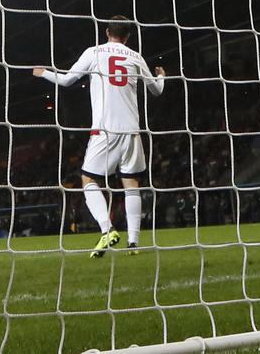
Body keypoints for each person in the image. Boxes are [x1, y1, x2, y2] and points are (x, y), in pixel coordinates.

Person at [34, 16, 165, 257]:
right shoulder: (136, 56)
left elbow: (66, 80)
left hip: (105, 130)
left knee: (88, 180)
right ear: (127, 36)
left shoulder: (94, 52)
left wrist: (44, 73)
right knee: (131, 184)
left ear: (107, 32)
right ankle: (133, 243)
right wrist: (161, 76)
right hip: (132, 131)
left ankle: (107, 230)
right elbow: (156, 90)